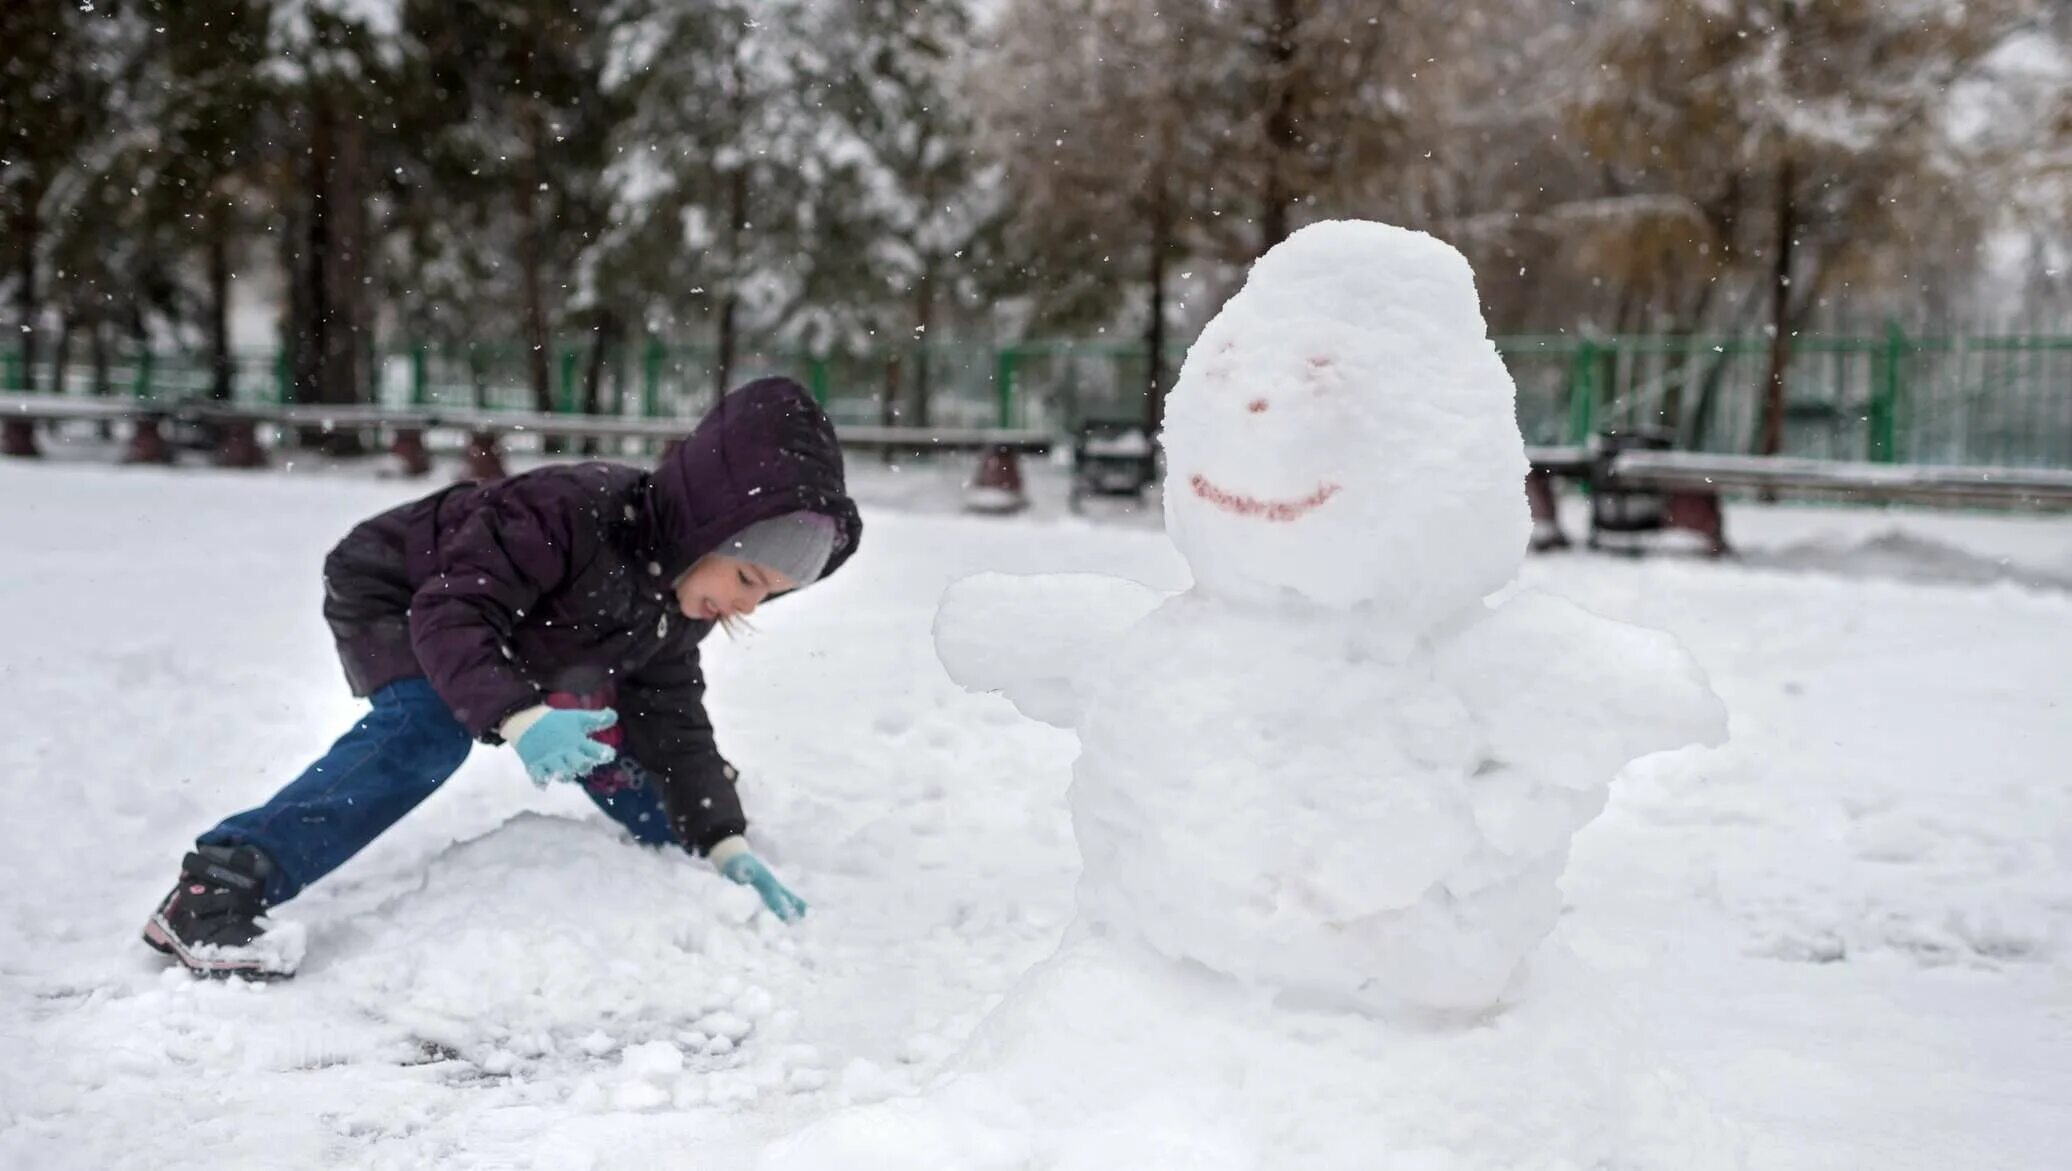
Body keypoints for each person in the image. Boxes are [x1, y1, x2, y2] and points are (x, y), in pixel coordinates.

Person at [141, 376, 863, 979]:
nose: (746, 604)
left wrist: (720, 835)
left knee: (608, 740)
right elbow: (452, 612)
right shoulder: (570, 510)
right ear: (704, 526)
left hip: (533, 639)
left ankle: (690, 843)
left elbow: (671, 717)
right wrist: (519, 716)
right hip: (406, 594)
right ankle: (219, 885)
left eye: (765, 593)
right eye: (743, 575)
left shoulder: (676, 607)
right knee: (429, 728)